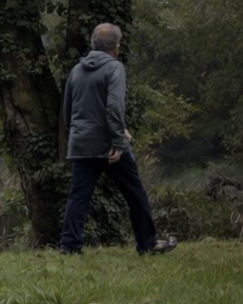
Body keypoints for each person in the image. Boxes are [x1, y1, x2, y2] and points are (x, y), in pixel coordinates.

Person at [57, 23, 178, 256]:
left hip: (81, 142)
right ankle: (148, 243)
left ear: (93, 44)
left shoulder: (76, 71)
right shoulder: (115, 68)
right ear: (117, 47)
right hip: (108, 145)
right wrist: (118, 140)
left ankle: (69, 246)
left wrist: (80, 134)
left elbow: (67, 110)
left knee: (78, 196)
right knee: (135, 193)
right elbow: (114, 107)